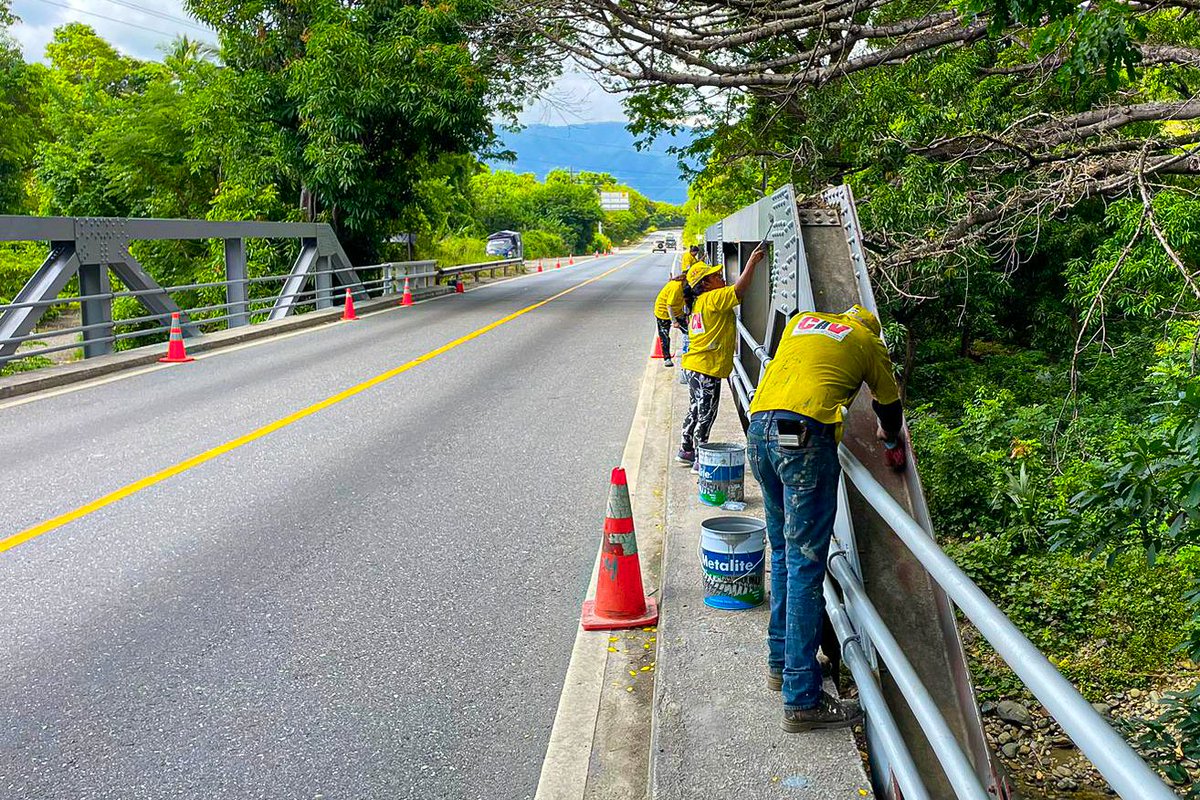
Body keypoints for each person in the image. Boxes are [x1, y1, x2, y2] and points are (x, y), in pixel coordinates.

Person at [746, 303, 907, 732]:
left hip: (760, 429)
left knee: (782, 551)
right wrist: (888, 437)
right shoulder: (868, 342)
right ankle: (801, 697)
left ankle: (780, 661)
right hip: (804, 439)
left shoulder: (802, 322)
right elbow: (889, 406)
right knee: (804, 564)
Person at [676, 246, 764, 465]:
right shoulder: (713, 298)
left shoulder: (698, 302)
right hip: (707, 368)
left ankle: (686, 449)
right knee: (707, 414)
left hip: (695, 365)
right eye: (715, 276)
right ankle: (700, 459)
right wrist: (751, 263)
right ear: (705, 284)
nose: (721, 276)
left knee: (695, 409)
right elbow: (739, 291)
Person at [653, 274, 688, 367]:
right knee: (664, 335)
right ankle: (667, 358)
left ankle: (689, 353)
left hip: (676, 311)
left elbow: (682, 302)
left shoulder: (684, 288)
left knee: (688, 330)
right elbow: (669, 306)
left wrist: (684, 316)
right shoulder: (676, 287)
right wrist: (674, 321)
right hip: (663, 312)